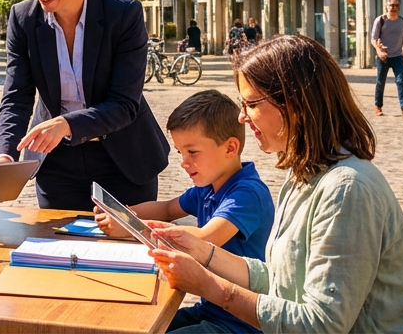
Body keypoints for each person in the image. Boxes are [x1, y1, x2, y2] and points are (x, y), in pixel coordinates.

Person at [148, 36, 403, 334]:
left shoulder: (346, 189)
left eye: (251, 104)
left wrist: (210, 287)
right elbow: (284, 280)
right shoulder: (305, 173)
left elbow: (321, 325)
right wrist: (203, 251)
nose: (242, 117)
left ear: (295, 105)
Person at [0, 0, 169, 210]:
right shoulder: (23, 19)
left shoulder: (123, 14)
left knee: (123, 242)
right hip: (56, 165)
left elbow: (125, 103)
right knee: (56, 239)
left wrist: (66, 124)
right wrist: (5, 155)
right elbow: (16, 97)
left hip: (124, 160)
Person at [96, 90, 273, 333]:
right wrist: (125, 213)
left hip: (240, 321)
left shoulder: (247, 194)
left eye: (192, 152)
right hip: (211, 310)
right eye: (180, 152)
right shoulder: (208, 186)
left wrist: (131, 228)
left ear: (230, 148)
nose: (183, 162)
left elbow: (205, 239)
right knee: (133, 326)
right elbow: (167, 208)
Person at [372, 0, 403, 119]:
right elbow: (373, 39)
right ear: (386, 6)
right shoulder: (380, 20)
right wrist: (379, 51)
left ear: (399, 7)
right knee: (380, 82)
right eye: (391, 5)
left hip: (397, 57)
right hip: (383, 57)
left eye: (396, 5)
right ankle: (378, 106)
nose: (394, 8)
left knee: (401, 81)